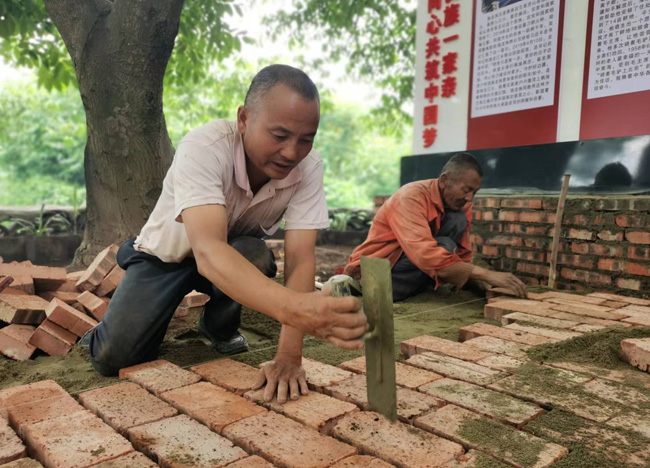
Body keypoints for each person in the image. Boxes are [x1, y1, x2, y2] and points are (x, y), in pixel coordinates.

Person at [84, 65, 367, 403]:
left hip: (233, 256)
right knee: (114, 357)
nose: (292, 152)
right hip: (167, 256)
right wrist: (294, 308)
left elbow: (301, 258)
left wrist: (289, 358)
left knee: (255, 253)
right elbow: (208, 251)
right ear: (244, 119)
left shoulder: (309, 168)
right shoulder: (204, 147)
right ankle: (108, 328)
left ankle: (217, 327)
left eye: (306, 139)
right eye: (279, 136)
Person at [344, 152, 527, 301]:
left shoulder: (460, 205)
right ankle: (371, 290)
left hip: (415, 265)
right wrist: (486, 274)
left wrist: (479, 282)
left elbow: (462, 253)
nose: (470, 198)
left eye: (475, 192)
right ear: (445, 180)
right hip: (379, 269)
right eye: (466, 190)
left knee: (457, 221)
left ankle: (421, 284)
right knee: (445, 246)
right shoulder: (411, 197)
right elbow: (425, 254)